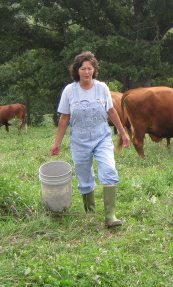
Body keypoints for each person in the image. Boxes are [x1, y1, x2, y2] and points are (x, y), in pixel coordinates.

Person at [51, 51, 131, 227]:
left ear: (94, 70)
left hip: (102, 137)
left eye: (90, 68)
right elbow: (65, 117)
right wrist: (57, 143)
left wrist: (123, 132)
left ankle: (111, 216)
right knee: (84, 177)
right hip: (79, 140)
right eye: (83, 69)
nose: (87, 72)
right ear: (77, 71)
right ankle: (90, 213)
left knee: (109, 169)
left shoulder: (101, 88)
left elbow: (111, 111)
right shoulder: (69, 91)